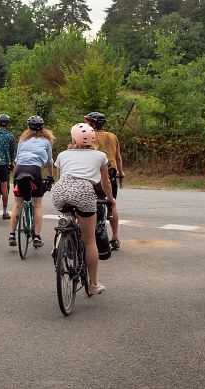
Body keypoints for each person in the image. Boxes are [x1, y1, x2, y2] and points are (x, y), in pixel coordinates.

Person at [52, 122, 117, 295]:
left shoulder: (63, 154)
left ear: (73, 139)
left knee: (67, 219)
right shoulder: (100, 156)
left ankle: (59, 246)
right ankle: (93, 284)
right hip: (84, 192)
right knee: (89, 240)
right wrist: (110, 199)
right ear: (93, 139)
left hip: (60, 191)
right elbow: (105, 183)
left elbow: (60, 178)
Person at [8, 115, 54, 248]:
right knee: (37, 204)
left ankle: (12, 234)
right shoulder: (46, 141)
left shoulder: (22, 140)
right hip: (35, 170)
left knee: (17, 203)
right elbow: (50, 161)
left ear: (28, 127)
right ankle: (37, 237)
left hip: (19, 170)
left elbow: (17, 159)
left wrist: (15, 176)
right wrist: (51, 176)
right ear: (42, 128)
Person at [84, 111, 124, 250]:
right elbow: (118, 157)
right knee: (111, 203)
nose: (86, 124)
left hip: (94, 172)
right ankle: (115, 237)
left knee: (91, 203)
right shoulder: (112, 136)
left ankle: (91, 236)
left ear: (93, 123)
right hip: (111, 171)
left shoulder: (88, 136)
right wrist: (121, 172)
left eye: (87, 122)